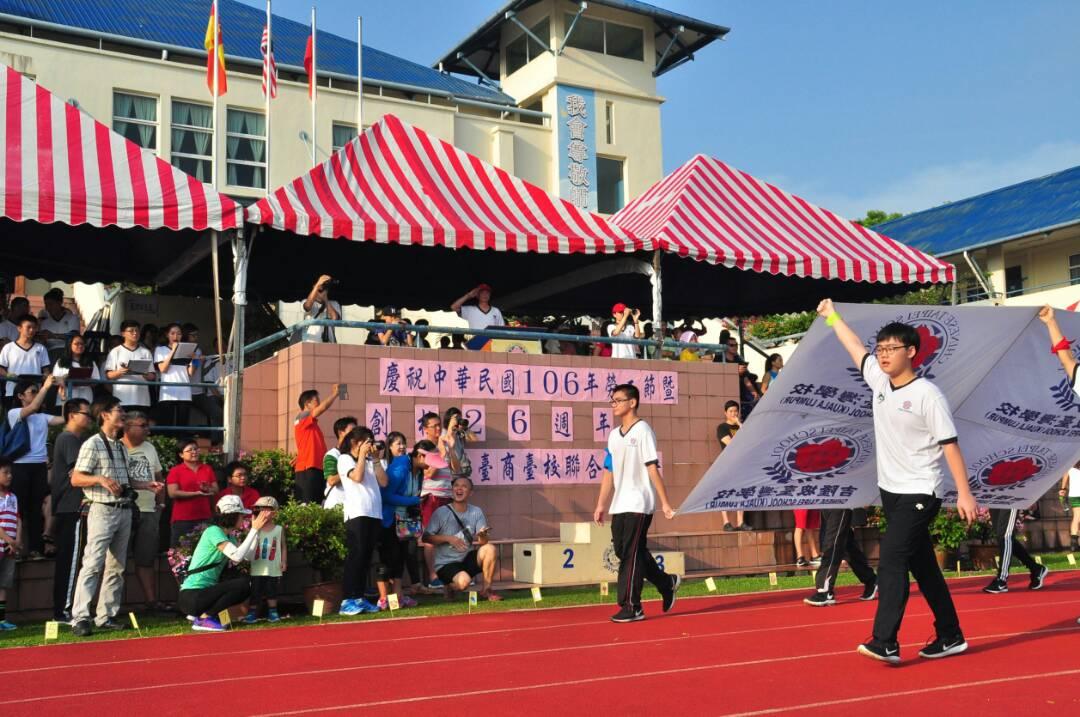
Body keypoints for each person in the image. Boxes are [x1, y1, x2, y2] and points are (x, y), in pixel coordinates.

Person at [817, 298, 977, 663]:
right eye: (882, 348)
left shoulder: (927, 395)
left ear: (912, 352)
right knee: (923, 566)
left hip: (921, 490)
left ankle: (885, 640)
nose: (884, 355)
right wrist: (832, 317)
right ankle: (951, 634)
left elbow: (950, 445)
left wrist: (964, 494)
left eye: (892, 349)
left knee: (890, 560)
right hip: (892, 491)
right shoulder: (880, 382)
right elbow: (855, 347)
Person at [69, 397, 163, 637]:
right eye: (118, 410)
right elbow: (76, 478)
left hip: (123, 509)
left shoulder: (120, 446)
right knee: (92, 564)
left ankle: (106, 615)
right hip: (101, 508)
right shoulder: (92, 444)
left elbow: (125, 481)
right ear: (105, 415)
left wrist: (146, 485)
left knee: (117, 567)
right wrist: (99, 479)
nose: (123, 414)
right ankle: (80, 616)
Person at [593, 383, 680, 623]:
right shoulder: (613, 435)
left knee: (631, 554)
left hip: (640, 501)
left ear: (632, 402)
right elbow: (608, 472)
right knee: (626, 552)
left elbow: (652, 468)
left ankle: (632, 606)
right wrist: (601, 504)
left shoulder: (643, 431)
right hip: (619, 503)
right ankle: (667, 582)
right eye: (612, 401)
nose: (614, 405)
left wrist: (665, 503)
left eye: (618, 400)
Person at [178, 494, 270, 632]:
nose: (243, 518)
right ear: (231, 515)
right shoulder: (213, 531)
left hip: (202, 595)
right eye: (241, 515)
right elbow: (237, 556)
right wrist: (254, 529)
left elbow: (247, 557)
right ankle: (204, 618)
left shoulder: (229, 536)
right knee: (245, 584)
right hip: (192, 596)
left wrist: (257, 532)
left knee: (248, 584)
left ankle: (204, 615)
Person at [8, 376, 64, 556]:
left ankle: (35, 549)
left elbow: (63, 419)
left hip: (39, 466)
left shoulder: (42, 417)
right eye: (32, 392)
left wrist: (63, 399)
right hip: (20, 466)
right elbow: (31, 408)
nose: (36, 395)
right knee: (19, 508)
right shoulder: (14, 413)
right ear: (20, 396)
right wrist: (46, 387)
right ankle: (16, 548)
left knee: (35, 508)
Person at [337, 426, 389, 616]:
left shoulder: (371, 460)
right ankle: (347, 600)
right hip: (357, 514)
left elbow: (384, 482)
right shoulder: (344, 459)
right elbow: (357, 478)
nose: (370, 445)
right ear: (354, 442)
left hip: (374, 514)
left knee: (366, 558)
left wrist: (375, 459)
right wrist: (361, 457)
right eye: (366, 441)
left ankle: (358, 597)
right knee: (355, 557)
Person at [424, 476, 501, 601]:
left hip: (466, 558)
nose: (459, 489)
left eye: (464, 486)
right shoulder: (441, 512)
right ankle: (449, 585)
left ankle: (486, 590)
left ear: (470, 493)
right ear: (452, 490)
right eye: (456, 486)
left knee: (490, 548)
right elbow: (426, 537)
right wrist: (448, 538)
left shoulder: (476, 511)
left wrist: (482, 536)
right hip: (446, 564)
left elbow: (483, 542)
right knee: (464, 583)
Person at [50, 398, 91, 621]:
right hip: (71, 506)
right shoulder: (68, 439)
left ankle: (66, 608)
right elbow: (81, 471)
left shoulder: (75, 439)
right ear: (72, 414)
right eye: (86, 413)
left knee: (73, 559)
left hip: (70, 506)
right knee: (71, 560)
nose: (89, 418)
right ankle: (63, 610)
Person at [123, 411, 168, 612]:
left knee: (146, 558)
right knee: (115, 561)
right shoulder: (116, 447)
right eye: (142, 425)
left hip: (149, 511)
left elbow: (158, 476)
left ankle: (151, 601)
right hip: (124, 510)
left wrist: (161, 505)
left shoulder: (149, 447)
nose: (147, 430)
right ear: (128, 426)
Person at [376, 431, 420, 610]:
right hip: (388, 521)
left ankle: (397, 597)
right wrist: (414, 500)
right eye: (397, 443)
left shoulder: (408, 467)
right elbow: (386, 496)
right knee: (387, 560)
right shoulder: (395, 467)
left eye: (403, 443)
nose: (401, 447)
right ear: (389, 447)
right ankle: (384, 598)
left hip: (403, 521)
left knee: (400, 558)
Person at [803, 509, 879, 606]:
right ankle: (870, 579)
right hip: (827, 503)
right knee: (846, 543)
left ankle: (825, 591)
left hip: (840, 504)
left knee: (832, 543)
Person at [418, 412, 452, 589]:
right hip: (431, 497)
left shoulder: (443, 445)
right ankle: (433, 577)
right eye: (434, 426)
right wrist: (441, 452)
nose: (439, 429)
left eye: (440, 425)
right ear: (425, 429)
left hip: (446, 495)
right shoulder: (423, 448)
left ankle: (447, 573)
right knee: (431, 538)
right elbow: (429, 473)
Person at [982, 507, 1047, 594]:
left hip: (1011, 498)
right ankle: (1036, 568)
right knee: (1002, 536)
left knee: (1006, 536)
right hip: (996, 498)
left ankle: (1001, 580)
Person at [293, 385, 340, 503]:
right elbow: (322, 409)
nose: (319, 404)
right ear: (307, 404)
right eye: (316, 401)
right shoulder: (302, 416)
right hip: (308, 467)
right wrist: (335, 394)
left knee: (317, 504)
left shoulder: (311, 424)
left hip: (316, 467)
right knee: (307, 506)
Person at [244, 496, 287, 623]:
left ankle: (273, 612)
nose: (264, 513)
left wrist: (284, 561)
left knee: (272, 590)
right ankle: (252, 613)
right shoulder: (254, 529)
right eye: (261, 509)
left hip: (273, 567)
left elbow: (283, 546)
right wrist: (253, 527)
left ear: (274, 513)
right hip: (257, 567)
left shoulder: (279, 529)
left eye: (267, 510)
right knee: (255, 591)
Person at [166, 439, 216, 547]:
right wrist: (196, 494)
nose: (194, 452)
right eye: (190, 450)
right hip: (182, 519)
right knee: (180, 553)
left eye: (196, 449)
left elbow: (216, 490)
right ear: (181, 455)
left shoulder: (207, 469)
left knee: (204, 550)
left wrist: (208, 488)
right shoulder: (176, 471)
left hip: (204, 517)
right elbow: (172, 493)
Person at [103, 320, 156, 413]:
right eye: (131, 331)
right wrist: (119, 372)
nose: (135, 333)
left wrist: (145, 374)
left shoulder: (145, 352)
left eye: (137, 331)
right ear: (123, 333)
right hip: (122, 398)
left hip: (142, 399)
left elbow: (152, 376)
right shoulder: (115, 351)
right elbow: (108, 375)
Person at [0, 314, 51, 410]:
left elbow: (46, 369)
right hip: (13, 391)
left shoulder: (41, 348)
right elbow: (1, 368)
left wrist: (46, 375)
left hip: (34, 393)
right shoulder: (8, 347)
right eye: (28, 327)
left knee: (34, 423)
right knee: (13, 422)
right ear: (19, 328)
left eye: (34, 327)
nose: (31, 330)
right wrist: (8, 375)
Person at [715, 401, 751, 532]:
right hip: (727, 464)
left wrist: (740, 425)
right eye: (731, 411)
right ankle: (726, 522)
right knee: (725, 492)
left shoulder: (741, 427)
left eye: (736, 411)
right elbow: (731, 444)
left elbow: (749, 440)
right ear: (725, 413)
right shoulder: (722, 427)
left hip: (741, 464)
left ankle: (741, 521)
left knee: (741, 492)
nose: (734, 414)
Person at [184, 325, 224, 437]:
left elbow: (195, 368)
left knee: (217, 413)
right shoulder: (180, 350)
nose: (196, 338)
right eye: (193, 335)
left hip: (198, 392)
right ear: (186, 335)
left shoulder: (198, 349)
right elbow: (192, 370)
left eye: (197, 335)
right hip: (183, 391)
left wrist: (196, 359)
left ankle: (216, 442)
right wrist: (196, 360)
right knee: (181, 420)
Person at [153, 323, 195, 428]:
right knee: (167, 424)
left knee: (183, 426)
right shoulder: (160, 349)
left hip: (184, 392)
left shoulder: (187, 349)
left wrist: (195, 359)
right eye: (172, 333)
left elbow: (190, 373)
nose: (176, 336)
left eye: (179, 334)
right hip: (168, 392)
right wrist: (173, 351)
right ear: (167, 335)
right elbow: (163, 369)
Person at [52, 334, 101, 409]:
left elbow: (97, 381)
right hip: (67, 395)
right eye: (76, 344)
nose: (80, 346)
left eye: (82, 344)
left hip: (85, 396)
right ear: (70, 345)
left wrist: (89, 381)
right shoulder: (61, 361)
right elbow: (54, 380)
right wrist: (65, 378)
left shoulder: (90, 362)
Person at [0, 458, 21, 630]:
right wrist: (8, 539)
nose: (9, 476)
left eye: (10, 472)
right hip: (3, 544)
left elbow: (18, 519)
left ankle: (1, 620)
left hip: (10, 548)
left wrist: (16, 541)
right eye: (5, 472)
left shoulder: (13, 497)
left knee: (3, 583)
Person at [322, 415, 358, 510]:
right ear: (340, 433)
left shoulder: (359, 455)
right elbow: (331, 480)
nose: (355, 435)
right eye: (352, 431)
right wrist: (350, 472)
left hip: (353, 507)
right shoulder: (332, 455)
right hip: (337, 506)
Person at [37, 288, 81, 358]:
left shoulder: (72, 318)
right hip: (51, 353)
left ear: (59, 303)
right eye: (46, 304)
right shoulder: (44, 323)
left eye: (51, 304)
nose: (48, 307)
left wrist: (53, 336)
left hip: (69, 352)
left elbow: (74, 335)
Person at [301, 274, 341, 344]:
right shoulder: (306, 301)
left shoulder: (334, 303)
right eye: (319, 290)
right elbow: (307, 307)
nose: (320, 292)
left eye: (324, 290)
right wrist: (317, 285)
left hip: (329, 343)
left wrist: (325, 299)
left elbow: (335, 319)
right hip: (310, 341)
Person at [1061, 463, 1080, 553]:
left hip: (1073, 494)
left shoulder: (1070, 464)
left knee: (1076, 517)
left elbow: (1065, 476)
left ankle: (1074, 544)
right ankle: (1074, 544)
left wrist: (1063, 489)